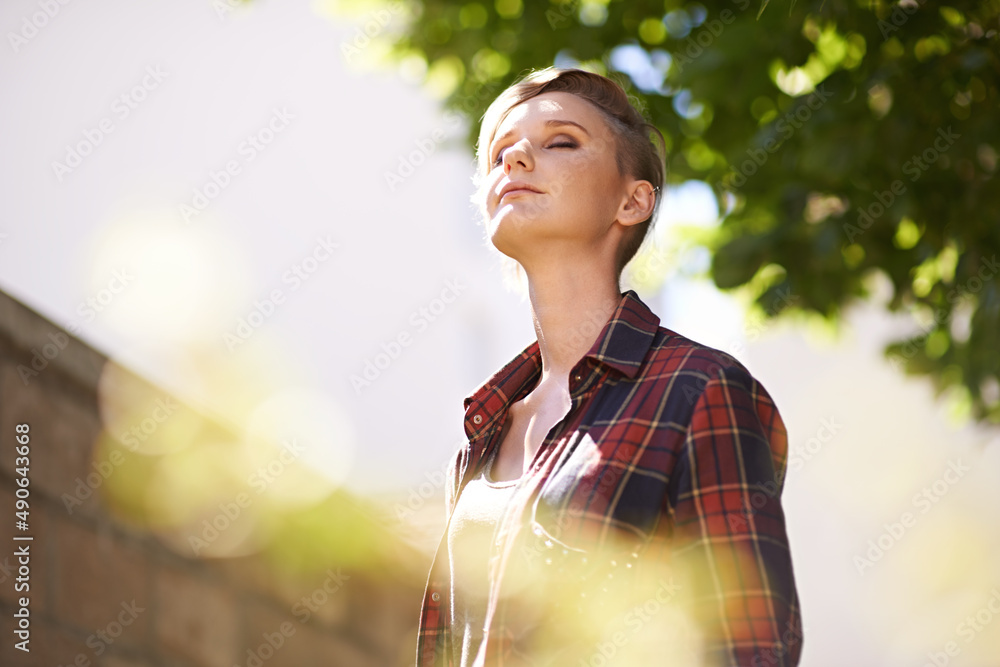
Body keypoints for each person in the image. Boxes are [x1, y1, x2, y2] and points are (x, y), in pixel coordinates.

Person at [415, 66, 803, 667]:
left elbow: (749, 645)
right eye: (499, 153)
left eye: (560, 141)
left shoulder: (699, 390)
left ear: (633, 200)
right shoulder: (480, 438)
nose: (514, 159)